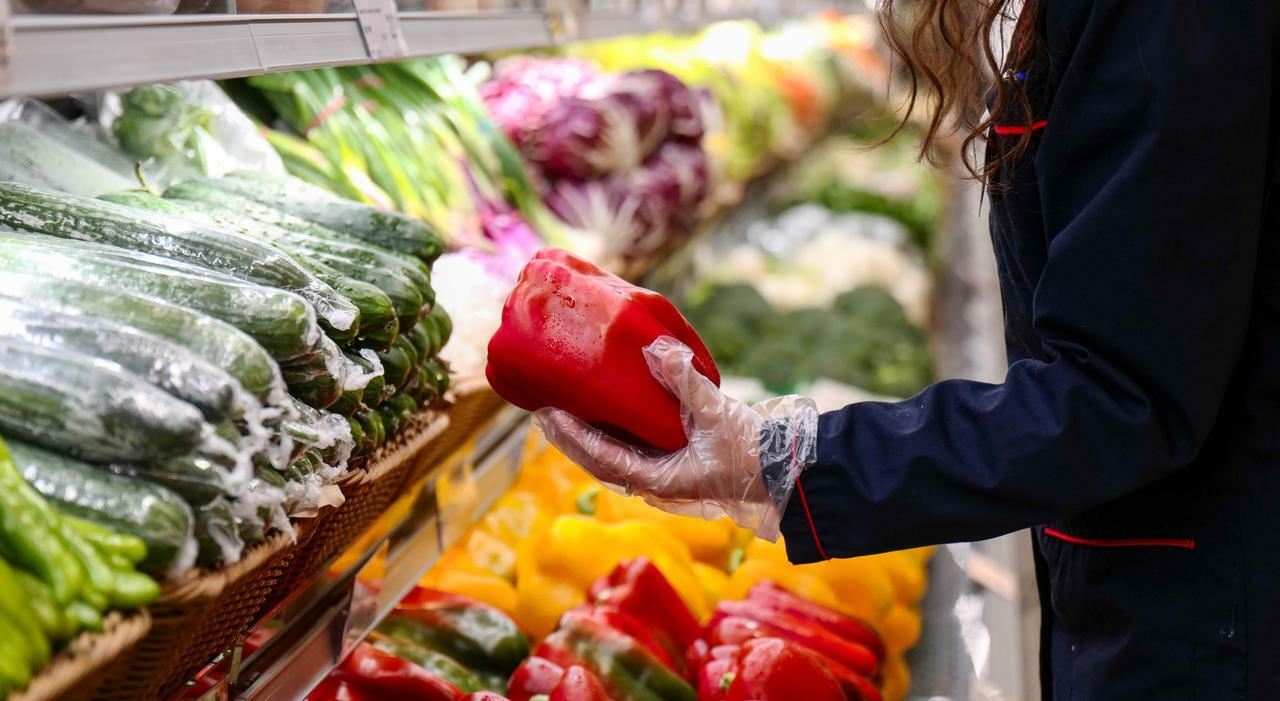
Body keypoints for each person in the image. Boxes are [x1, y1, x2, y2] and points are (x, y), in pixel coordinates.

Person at [536, 1, 1280, 698]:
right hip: (1145, 560)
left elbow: (1120, 389)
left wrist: (790, 462)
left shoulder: (1167, 17)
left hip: (1211, 604)